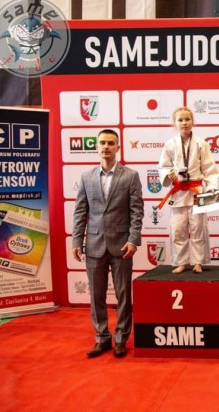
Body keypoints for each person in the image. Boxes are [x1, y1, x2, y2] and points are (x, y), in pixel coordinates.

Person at [72, 129, 144, 358]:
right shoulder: (86, 177)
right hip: (94, 245)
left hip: (122, 245)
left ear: (118, 147)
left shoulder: (130, 176)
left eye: (111, 143)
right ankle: (101, 338)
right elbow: (80, 211)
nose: (106, 147)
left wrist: (133, 240)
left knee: (124, 295)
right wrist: (76, 240)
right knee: (96, 296)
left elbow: (137, 211)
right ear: (96, 147)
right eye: (102, 143)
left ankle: (121, 339)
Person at [158, 107, 219, 274]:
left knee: (198, 227)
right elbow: (163, 166)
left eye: (187, 119)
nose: (184, 123)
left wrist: (212, 187)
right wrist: (168, 174)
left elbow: (209, 168)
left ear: (193, 122)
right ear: (174, 123)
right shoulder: (170, 145)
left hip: (197, 191)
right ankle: (182, 262)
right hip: (178, 192)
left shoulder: (201, 144)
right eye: (180, 120)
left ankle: (198, 261)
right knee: (178, 229)